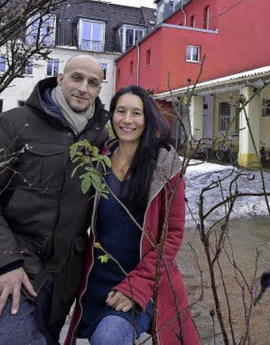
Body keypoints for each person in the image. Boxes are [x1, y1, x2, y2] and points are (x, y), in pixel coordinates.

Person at [0, 54, 109, 344]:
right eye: (76, 78)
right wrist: (4, 263)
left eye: (93, 82)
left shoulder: (99, 138)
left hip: (62, 279)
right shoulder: (14, 124)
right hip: (10, 266)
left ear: (99, 89)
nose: (83, 88)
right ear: (60, 79)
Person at [65, 85, 201, 345]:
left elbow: (171, 236)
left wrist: (137, 285)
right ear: (111, 116)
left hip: (144, 280)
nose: (127, 120)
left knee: (109, 337)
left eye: (136, 113)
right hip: (97, 281)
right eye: (121, 111)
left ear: (147, 118)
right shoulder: (96, 162)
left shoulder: (165, 166)